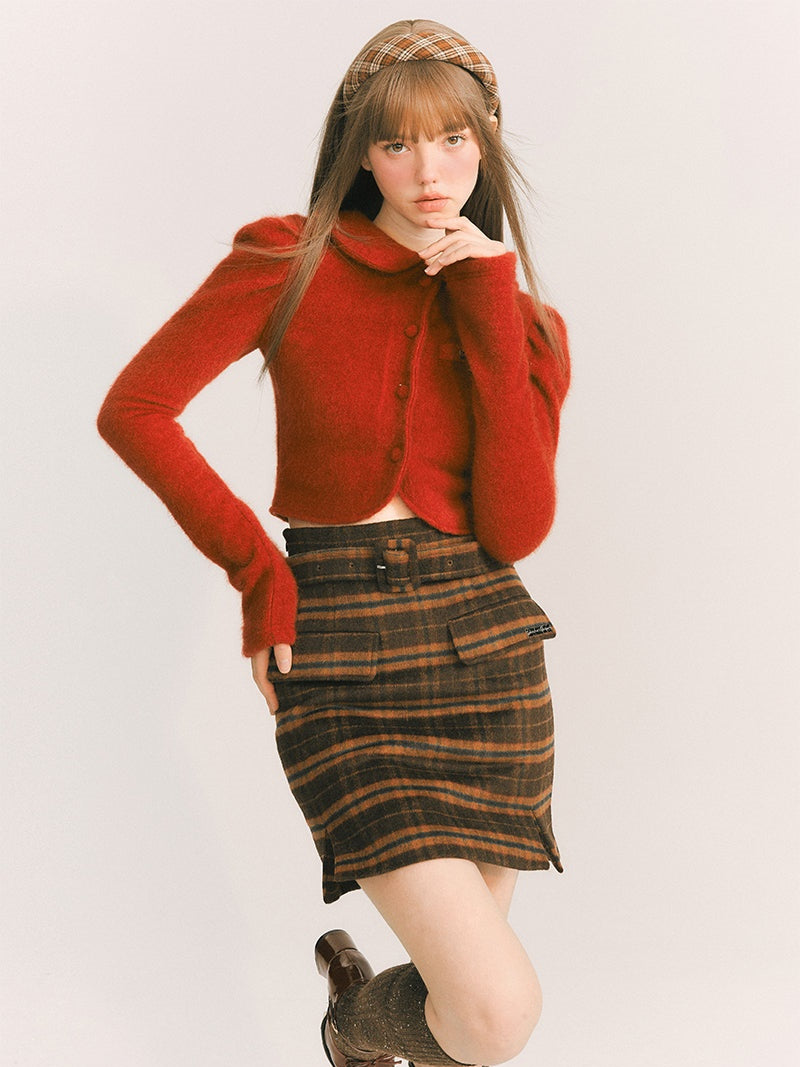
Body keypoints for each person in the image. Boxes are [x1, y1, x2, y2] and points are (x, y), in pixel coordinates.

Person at [97, 17, 570, 1067]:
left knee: (464, 1018)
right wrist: (257, 571)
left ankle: (365, 1031)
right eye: (397, 143)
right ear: (361, 153)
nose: (428, 171)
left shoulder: (524, 321)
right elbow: (136, 408)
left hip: (486, 650)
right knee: (494, 1013)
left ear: (486, 143)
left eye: (452, 140)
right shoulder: (289, 258)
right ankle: (351, 1026)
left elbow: (516, 526)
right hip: (341, 644)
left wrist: (487, 299)